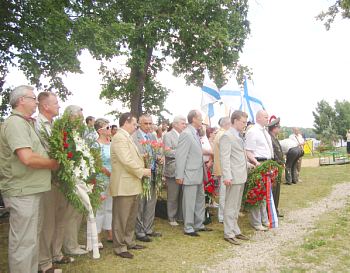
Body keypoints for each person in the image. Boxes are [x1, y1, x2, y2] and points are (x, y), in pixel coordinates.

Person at [0, 85, 59, 273]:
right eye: (33, 98)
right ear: (21, 101)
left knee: (31, 239)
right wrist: (53, 163)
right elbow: (27, 157)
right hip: (22, 190)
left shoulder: (25, 123)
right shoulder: (15, 123)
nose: (36, 102)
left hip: (31, 189)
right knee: (23, 242)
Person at [35, 92, 74, 273]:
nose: (59, 106)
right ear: (45, 106)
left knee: (60, 218)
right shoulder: (37, 125)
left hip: (62, 180)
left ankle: (56, 253)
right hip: (48, 180)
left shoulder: (55, 125)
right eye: (56, 103)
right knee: (48, 222)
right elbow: (48, 151)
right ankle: (44, 262)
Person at [109, 112, 151, 259]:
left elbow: (131, 157)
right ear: (126, 122)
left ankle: (129, 241)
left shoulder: (127, 137)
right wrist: (143, 171)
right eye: (134, 124)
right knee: (121, 217)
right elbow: (126, 160)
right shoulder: (120, 137)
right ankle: (120, 247)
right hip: (124, 184)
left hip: (131, 182)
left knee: (131, 216)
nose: (135, 127)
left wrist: (142, 159)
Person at [175, 110, 212, 236]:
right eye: (200, 117)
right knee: (189, 202)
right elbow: (181, 156)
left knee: (200, 200)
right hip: (189, 174)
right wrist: (179, 175)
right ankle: (189, 227)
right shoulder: (186, 134)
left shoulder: (194, 133)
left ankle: (199, 224)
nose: (202, 120)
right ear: (194, 119)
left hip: (198, 173)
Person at [220, 110, 250, 245]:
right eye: (243, 122)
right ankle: (228, 232)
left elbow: (239, 155)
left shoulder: (238, 135)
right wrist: (227, 176)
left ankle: (235, 229)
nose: (244, 125)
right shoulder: (227, 136)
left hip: (241, 175)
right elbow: (224, 158)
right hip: (233, 176)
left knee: (237, 205)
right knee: (230, 205)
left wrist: (249, 164)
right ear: (235, 121)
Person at [62, 105, 89, 256]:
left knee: (78, 212)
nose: (81, 121)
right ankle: (70, 246)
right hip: (71, 178)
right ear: (71, 117)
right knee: (71, 214)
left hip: (81, 177)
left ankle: (74, 242)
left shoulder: (77, 133)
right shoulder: (65, 133)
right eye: (79, 117)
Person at [132, 114, 162, 242]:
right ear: (139, 123)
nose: (149, 126)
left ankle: (148, 228)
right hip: (142, 174)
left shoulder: (152, 136)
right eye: (146, 123)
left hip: (154, 172)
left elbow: (158, 152)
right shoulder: (134, 137)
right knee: (141, 203)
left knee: (151, 202)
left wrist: (160, 157)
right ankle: (139, 231)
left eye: (150, 123)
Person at [245, 110, 273, 231]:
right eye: (265, 117)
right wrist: (256, 163)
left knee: (264, 193)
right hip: (258, 163)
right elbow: (248, 151)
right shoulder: (252, 131)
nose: (268, 119)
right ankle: (256, 222)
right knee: (256, 193)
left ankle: (265, 219)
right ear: (258, 118)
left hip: (267, 163)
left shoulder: (264, 131)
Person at [92, 118, 113, 248]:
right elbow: (97, 163)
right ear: (100, 131)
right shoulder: (95, 145)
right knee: (99, 209)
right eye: (107, 127)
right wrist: (109, 174)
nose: (110, 129)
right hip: (101, 179)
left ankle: (109, 232)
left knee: (110, 207)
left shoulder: (112, 143)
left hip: (113, 179)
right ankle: (97, 236)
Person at [163, 115, 187, 226]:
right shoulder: (168, 135)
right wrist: (181, 153)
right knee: (173, 195)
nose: (185, 125)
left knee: (182, 194)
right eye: (183, 123)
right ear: (175, 124)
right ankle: (171, 217)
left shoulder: (185, 135)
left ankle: (180, 216)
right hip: (173, 170)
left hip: (184, 169)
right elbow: (167, 152)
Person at [213, 117, 231, 223]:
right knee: (224, 194)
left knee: (224, 194)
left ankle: (223, 215)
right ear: (227, 124)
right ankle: (222, 216)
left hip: (221, 168)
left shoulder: (219, 134)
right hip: (223, 169)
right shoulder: (222, 135)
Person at [267, 116, 284, 217]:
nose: (280, 129)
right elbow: (273, 153)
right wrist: (279, 162)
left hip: (278, 166)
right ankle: (272, 212)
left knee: (277, 190)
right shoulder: (270, 138)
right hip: (274, 166)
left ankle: (275, 210)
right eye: (279, 127)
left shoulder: (274, 138)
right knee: (273, 190)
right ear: (274, 128)